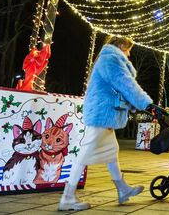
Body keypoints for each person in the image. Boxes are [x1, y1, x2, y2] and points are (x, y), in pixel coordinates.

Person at [58, 36, 154, 211]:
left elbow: (121, 87)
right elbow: (125, 83)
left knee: (111, 151)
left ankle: (123, 189)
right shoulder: (111, 58)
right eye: (128, 48)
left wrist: (139, 103)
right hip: (102, 112)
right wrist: (145, 102)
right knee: (86, 152)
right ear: (120, 45)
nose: (129, 53)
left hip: (105, 112)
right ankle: (67, 197)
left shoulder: (109, 58)